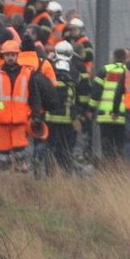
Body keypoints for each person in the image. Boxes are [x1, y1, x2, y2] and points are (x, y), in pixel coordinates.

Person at [0, 40, 57, 172]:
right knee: (3, 156)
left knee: (19, 153)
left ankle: (19, 181)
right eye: (7, 55)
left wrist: (35, 115)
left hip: (20, 120)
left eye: (12, 55)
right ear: (3, 56)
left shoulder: (27, 74)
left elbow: (34, 97)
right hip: (1, 120)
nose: (10, 57)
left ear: (18, 55)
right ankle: (5, 181)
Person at [45, 40, 89, 171]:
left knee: (49, 146)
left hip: (49, 116)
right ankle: (66, 173)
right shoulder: (77, 70)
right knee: (66, 147)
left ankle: (49, 173)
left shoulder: (48, 67)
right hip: (69, 116)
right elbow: (84, 94)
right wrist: (82, 113)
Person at [91, 48, 129, 162]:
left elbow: (96, 93)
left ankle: (108, 168)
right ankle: (118, 170)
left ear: (114, 57)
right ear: (125, 58)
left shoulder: (104, 71)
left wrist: (90, 109)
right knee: (120, 145)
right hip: (123, 115)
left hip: (105, 115)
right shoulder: (129, 72)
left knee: (107, 145)